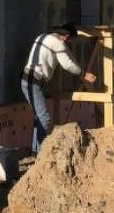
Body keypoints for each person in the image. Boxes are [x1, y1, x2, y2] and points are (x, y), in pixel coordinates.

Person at [21, 23, 96, 154]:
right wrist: (83, 74)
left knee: (39, 117)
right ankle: (41, 154)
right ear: (66, 37)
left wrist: (80, 69)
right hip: (33, 81)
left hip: (27, 80)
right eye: (70, 40)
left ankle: (35, 152)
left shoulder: (44, 37)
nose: (70, 44)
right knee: (44, 119)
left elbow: (68, 55)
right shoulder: (58, 43)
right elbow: (67, 64)